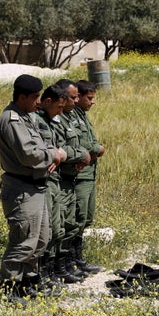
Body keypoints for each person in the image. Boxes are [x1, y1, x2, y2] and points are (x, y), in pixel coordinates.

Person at [0, 74, 66, 301]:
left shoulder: (27, 117)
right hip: (21, 190)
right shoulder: (12, 119)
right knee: (23, 242)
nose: (39, 101)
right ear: (22, 97)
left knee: (40, 239)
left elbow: (42, 146)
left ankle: (29, 282)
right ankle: (9, 288)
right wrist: (53, 155)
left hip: (36, 187)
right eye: (35, 97)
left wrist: (50, 155)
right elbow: (29, 155)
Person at [37, 83, 86, 285]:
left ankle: (56, 269)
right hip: (49, 180)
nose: (62, 110)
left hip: (59, 178)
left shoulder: (53, 119)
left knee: (60, 227)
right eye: (59, 106)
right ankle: (44, 273)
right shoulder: (37, 121)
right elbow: (53, 150)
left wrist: (71, 154)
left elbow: (63, 149)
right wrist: (71, 154)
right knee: (50, 229)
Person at [53, 79, 93, 281]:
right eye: (73, 97)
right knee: (62, 225)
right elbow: (59, 148)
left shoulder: (72, 116)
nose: (77, 100)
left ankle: (70, 262)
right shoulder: (55, 119)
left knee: (75, 222)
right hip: (63, 178)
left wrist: (79, 156)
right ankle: (58, 267)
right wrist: (81, 155)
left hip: (74, 173)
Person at [71, 80, 105, 274]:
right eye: (89, 98)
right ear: (79, 98)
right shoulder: (73, 117)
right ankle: (70, 261)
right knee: (77, 218)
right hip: (80, 175)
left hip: (88, 174)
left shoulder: (82, 116)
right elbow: (85, 143)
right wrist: (98, 148)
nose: (93, 102)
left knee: (86, 218)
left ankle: (78, 259)